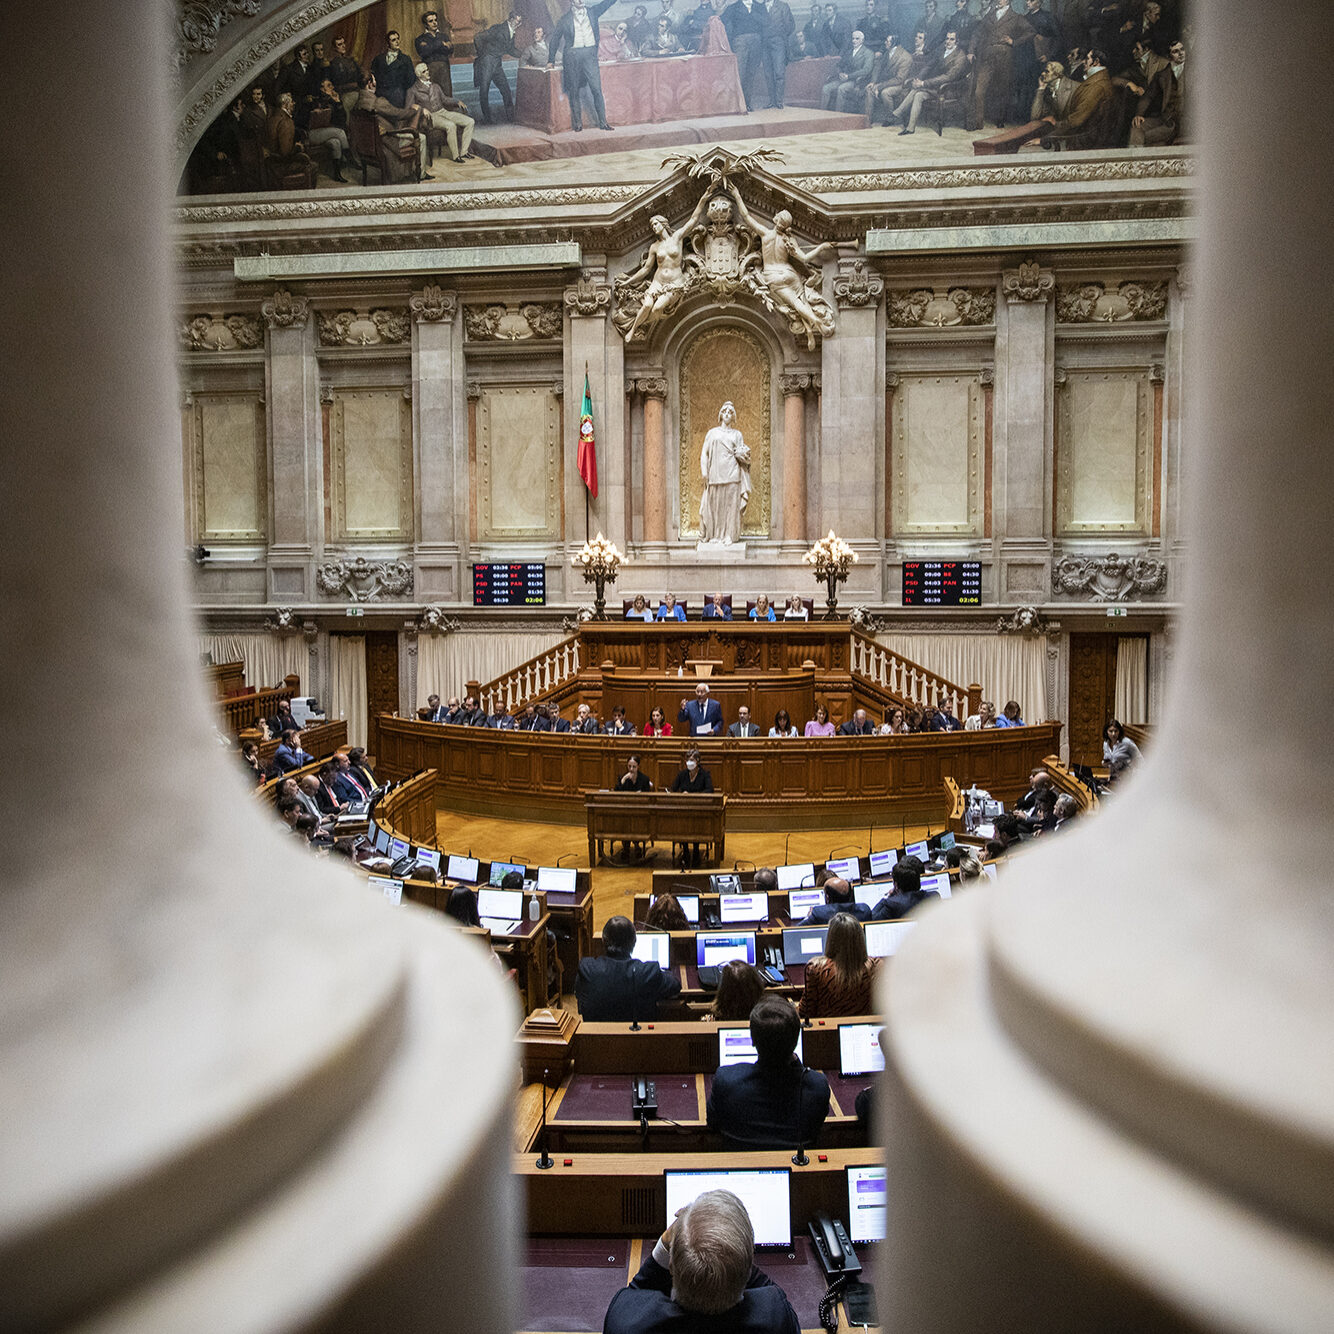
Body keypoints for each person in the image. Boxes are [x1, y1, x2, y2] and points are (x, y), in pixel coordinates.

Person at [603, 1188, 801, 1334]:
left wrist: (664, 1247)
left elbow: (634, 1297)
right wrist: (735, 1254)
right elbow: (768, 1289)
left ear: (671, 1265)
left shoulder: (626, 1324)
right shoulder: (775, 1317)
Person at [706, 996, 830, 1149]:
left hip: (742, 1166)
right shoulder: (818, 1087)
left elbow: (712, 1123)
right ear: (796, 1041)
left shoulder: (726, 1080)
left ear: (752, 1040)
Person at [723, 184, 837, 351]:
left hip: (772, 276)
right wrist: (822, 247)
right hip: (789, 274)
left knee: (795, 304)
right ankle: (812, 324)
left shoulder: (766, 234)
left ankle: (813, 322)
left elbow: (746, 216)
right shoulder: (788, 241)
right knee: (799, 302)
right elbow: (804, 258)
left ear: (777, 220)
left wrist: (736, 194)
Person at [575, 916, 681, 1021]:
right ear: (634, 942)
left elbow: (580, 999)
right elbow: (675, 985)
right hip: (639, 1037)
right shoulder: (648, 972)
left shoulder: (587, 969)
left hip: (596, 1037)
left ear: (603, 941)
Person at [548, 0, 618, 132]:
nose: (580, 0)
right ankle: (578, 124)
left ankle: (603, 122)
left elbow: (607, 3)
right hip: (572, 57)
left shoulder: (593, 12)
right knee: (574, 90)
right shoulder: (565, 19)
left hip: (590, 56)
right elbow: (555, 39)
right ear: (572, 1)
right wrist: (550, 60)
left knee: (596, 89)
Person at [889, 23, 967, 133]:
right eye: (947, 38)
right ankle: (910, 128)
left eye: (952, 39)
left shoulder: (960, 57)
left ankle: (897, 113)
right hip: (936, 87)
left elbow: (947, 77)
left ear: (957, 41)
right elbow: (928, 66)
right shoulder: (942, 51)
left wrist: (923, 83)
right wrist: (918, 79)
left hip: (949, 90)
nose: (948, 41)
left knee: (918, 89)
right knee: (919, 95)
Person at [799, 912, 879, 1017]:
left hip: (827, 1032)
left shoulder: (817, 969)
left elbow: (805, 1013)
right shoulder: (875, 968)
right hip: (865, 1030)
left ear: (831, 939)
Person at [698, 402, 752, 545]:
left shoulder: (737, 434)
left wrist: (744, 455)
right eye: (725, 411)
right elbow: (704, 453)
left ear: (733, 416)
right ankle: (715, 535)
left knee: (731, 506)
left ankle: (730, 535)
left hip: (732, 473)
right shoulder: (712, 433)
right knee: (715, 506)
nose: (727, 413)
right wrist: (704, 471)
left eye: (730, 412)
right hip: (715, 473)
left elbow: (743, 453)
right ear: (721, 414)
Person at [406, 62, 476, 162]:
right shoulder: (412, 90)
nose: (427, 72)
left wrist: (457, 101)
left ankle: (464, 152)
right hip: (430, 117)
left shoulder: (435, 86)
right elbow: (408, 107)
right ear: (419, 75)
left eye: (427, 69)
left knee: (470, 121)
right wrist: (421, 109)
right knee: (451, 125)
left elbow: (444, 100)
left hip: (443, 112)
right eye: (424, 71)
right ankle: (456, 156)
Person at [721, 0, 770, 112]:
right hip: (740, 42)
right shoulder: (733, 7)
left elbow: (767, 22)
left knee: (751, 73)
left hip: (756, 42)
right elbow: (721, 21)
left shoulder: (759, 6)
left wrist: (753, 13)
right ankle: (737, 104)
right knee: (739, 72)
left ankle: (747, 103)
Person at [474, 11, 522, 123]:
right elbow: (478, 37)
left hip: (497, 65)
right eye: (518, 21)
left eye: (520, 22)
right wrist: (483, 56)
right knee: (484, 91)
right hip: (487, 63)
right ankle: (487, 119)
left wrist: (524, 55)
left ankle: (511, 118)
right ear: (511, 19)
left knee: (506, 90)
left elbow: (511, 50)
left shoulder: (512, 32)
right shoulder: (498, 28)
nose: (519, 24)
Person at [871, 855, 939, 920]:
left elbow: (872, 917)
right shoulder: (934, 896)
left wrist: (887, 897)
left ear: (896, 885)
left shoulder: (892, 904)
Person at [821, 28, 874, 111]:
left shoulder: (868, 53)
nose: (854, 41)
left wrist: (849, 76)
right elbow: (840, 64)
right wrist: (840, 73)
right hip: (844, 79)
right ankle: (822, 113)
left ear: (862, 40)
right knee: (826, 88)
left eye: (857, 39)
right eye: (853, 38)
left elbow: (866, 70)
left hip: (857, 81)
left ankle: (839, 115)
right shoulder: (849, 52)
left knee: (841, 88)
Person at [799, 874, 870, 924]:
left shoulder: (818, 913)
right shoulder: (864, 910)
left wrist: (808, 916)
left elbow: (795, 930)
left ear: (827, 898)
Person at [371, 30, 417, 107]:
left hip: (398, 94)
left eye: (398, 39)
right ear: (388, 43)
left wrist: (401, 88)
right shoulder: (379, 59)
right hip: (381, 92)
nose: (397, 42)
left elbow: (411, 79)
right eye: (393, 40)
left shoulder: (405, 59)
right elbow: (373, 73)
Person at [414, 9, 454, 94]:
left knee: (446, 93)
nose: (434, 23)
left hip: (444, 69)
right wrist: (441, 44)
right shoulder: (420, 39)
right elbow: (423, 52)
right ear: (425, 24)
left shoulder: (444, 36)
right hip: (429, 70)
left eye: (435, 20)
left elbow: (450, 50)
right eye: (431, 21)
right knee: (432, 95)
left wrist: (430, 46)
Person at [328, 35, 364, 117]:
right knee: (346, 105)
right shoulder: (333, 63)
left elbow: (360, 75)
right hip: (345, 93)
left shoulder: (351, 60)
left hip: (357, 91)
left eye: (343, 43)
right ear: (334, 48)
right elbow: (335, 84)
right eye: (339, 44)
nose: (343, 46)